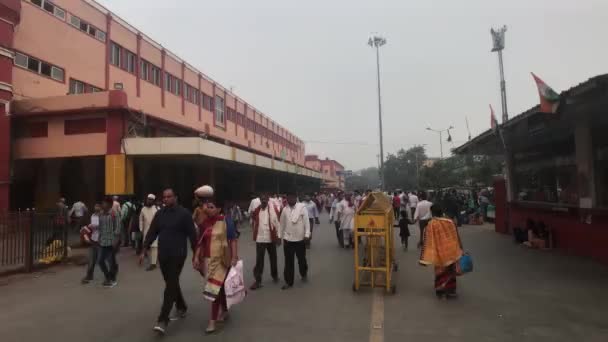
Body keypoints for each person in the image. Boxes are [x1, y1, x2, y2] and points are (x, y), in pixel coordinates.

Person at [141, 188, 198, 335]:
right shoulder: (160, 214)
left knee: (170, 285)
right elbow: (152, 232)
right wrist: (144, 249)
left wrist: (196, 254)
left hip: (178, 255)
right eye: (164, 197)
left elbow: (192, 235)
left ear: (175, 198)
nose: (166, 199)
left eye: (169, 196)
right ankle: (181, 306)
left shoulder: (184, 214)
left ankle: (163, 319)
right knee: (171, 283)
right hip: (163, 255)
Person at [193, 194, 239, 334]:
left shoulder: (226, 221)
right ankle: (224, 310)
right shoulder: (205, 223)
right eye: (207, 206)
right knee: (219, 289)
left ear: (219, 209)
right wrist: (196, 257)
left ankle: (212, 322)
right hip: (208, 262)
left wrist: (234, 257)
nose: (208, 208)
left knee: (214, 290)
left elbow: (233, 240)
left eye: (211, 206)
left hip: (221, 261)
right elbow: (201, 241)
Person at [419, 205, 463, 299]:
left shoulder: (431, 224)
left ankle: (440, 289)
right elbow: (456, 235)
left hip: (440, 251)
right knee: (451, 271)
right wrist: (460, 247)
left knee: (440, 271)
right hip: (451, 250)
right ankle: (451, 292)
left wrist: (425, 255)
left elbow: (428, 240)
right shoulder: (450, 221)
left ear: (432, 213)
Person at [278, 193, 310, 290]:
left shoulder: (302, 208)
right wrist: (279, 236)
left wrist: (307, 234)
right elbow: (281, 224)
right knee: (288, 262)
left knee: (301, 260)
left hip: (300, 239)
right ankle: (288, 282)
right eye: (289, 197)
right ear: (287, 198)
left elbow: (306, 222)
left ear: (296, 198)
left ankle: (303, 273)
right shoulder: (284, 210)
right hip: (288, 240)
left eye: (292, 197)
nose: (290, 199)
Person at [250, 194, 280, 290]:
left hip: (271, 238)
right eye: (262, 199)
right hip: (260, 239)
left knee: (273, 258)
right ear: (260, 200)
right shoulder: (257, 210)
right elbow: (252, 219)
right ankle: (258, 281)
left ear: (268, 200)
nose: (263, 201)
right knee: (259, 261)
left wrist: (279, 236)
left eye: (265, 199)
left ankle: (275, 276)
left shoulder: (272, 210)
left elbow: (277, 223)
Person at [98, 197, 121, 288]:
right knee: (100, 261)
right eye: (102, 203)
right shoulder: (101, 214)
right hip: (103, 241)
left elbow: (118, 227)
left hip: (111, 242)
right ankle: (107, 276)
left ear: (109, 204)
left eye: (104, 203)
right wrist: (99, 238)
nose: (103, 205)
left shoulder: (114, 213)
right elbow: (100, 227)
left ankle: (112, 279)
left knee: (110, 261)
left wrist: (116, 240)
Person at [80, 203, 101, 284]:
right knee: (91, 259)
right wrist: (86, 236)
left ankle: (109, 275)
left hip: (101, 241)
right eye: (95, 206)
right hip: (93, 240)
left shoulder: (104, 216)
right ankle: (89, 275)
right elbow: (85, 228)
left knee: (102, 260)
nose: (96, 207)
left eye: (98, 206)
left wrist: (96, 226)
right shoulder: (92, 216)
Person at [139, 194, 159, 271]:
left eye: (151, 199)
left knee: (154, 247)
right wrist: (141, 229)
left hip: (156, 231)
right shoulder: (143, 209)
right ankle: (148, 259)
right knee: (148, 246)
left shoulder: (157, 209)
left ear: (153, 201)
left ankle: (153, 264)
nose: (149, 201)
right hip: (146, 230)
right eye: (148, 199)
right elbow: (141, 220)